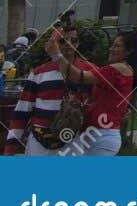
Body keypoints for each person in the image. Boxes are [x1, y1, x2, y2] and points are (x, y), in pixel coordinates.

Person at [46, 28, 137, 156]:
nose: (111, 49)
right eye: (112, 45)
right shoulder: (125, 70)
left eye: (117, 46)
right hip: (96, 134)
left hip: (101, 136)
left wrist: (56, 55)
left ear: (129, 51)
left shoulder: (117, 69)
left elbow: (78, 77)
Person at [4, 24, 92, 156]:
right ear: (54, 44)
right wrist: (10, 147)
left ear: (78, 43)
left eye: (73, 40)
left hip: (74, 140)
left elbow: (103, 101)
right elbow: (22, 110)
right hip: (40, 142)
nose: (69, 44)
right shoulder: (39, 73)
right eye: (63, 40)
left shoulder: (90, 72)